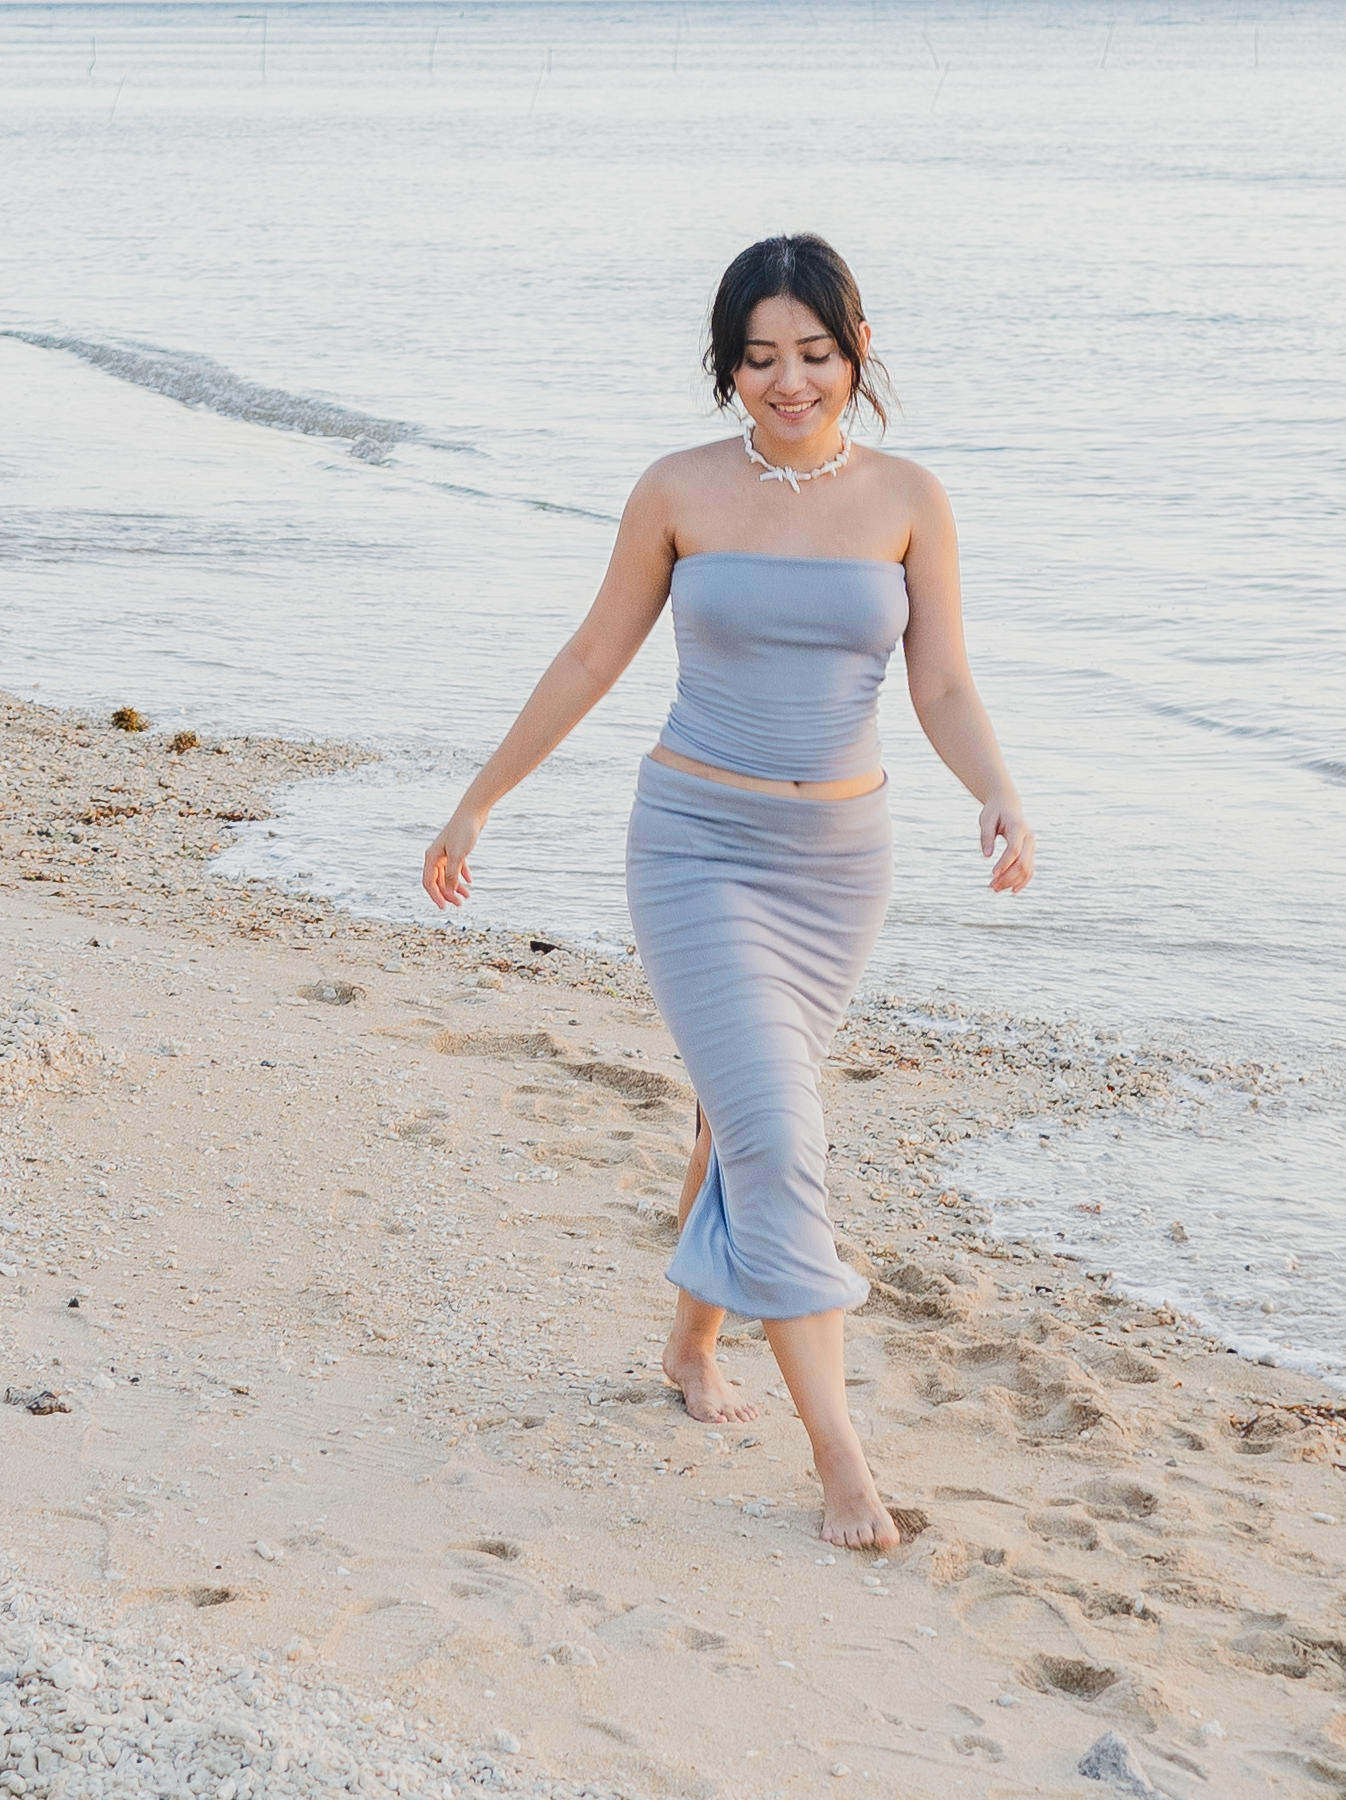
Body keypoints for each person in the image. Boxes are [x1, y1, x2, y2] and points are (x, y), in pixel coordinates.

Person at [422, 232, 1034, 1548]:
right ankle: (843, 1466)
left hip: (838, 867)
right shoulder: (677, 490)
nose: (787, 381)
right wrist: (480, 796)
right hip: (694, 844)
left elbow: (938, 684)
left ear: (853, 352)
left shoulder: (910, 498)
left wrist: (994, 788)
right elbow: (593, 655)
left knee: (730, 1110)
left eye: (812, 354)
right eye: (758, 358)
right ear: (726, 365)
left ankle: (690, 1346)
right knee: (774, 1125)